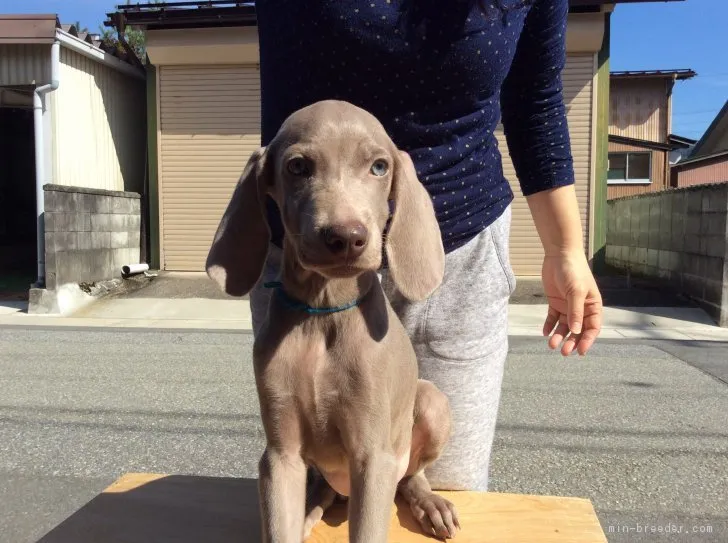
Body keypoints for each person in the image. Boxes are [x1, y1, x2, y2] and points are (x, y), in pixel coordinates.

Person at [250, 0, 604, 491]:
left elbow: (534, 96)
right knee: (309, 483)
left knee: (444, 484)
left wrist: (565, 250)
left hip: (454, 257)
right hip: (306, 261)